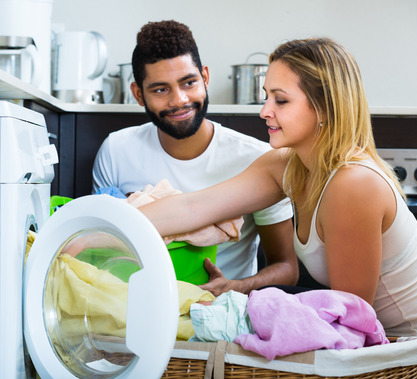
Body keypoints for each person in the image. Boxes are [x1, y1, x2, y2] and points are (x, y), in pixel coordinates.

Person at [137, 37, 417, 376]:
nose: (264, 111)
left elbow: (348, 320)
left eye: (281, 100)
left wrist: (248, 305)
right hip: (386, 353)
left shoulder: (352, 185)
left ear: (325, 107)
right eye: (266, 96)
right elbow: (192, 209)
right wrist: (91, 230)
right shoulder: (287, 165)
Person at [92, 20, 298, 296]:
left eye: (189, 83)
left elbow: (286, 266)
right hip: (138, 306)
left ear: (205, 77)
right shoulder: (117, 150)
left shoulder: (257, 159)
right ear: (138, 94)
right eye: (161, 89)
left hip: (225, 315)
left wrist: (234, 288)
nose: (179, 100)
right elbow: (101, 250)